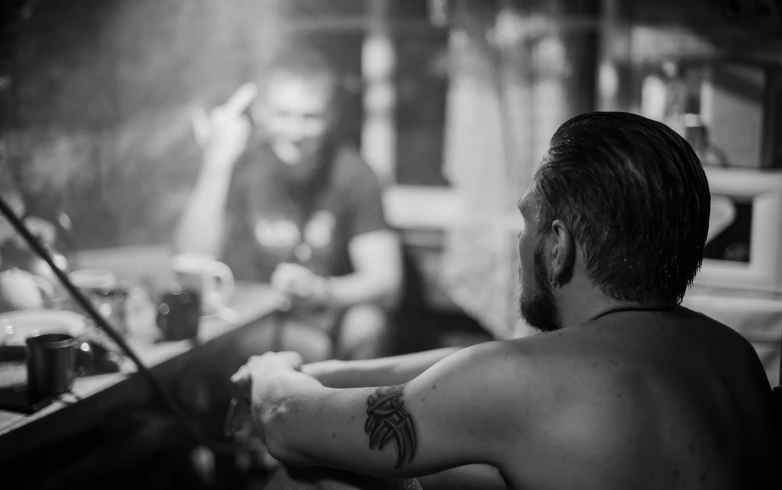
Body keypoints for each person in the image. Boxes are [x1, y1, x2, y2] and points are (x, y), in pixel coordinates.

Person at [229, 112, 780, 490]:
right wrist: (326, 371)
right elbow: (473, 373)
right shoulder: (732, 357)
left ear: (558, 245)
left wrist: (272, 374)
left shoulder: (529, 383)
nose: (522, 242)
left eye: (528, 221)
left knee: (317, 477)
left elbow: (285, 422)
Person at [173, 47, 403, 363]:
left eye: (310, 117)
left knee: (367, 327)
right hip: (247, 318)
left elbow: (387, 282)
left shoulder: (353, 173)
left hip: (325, 312)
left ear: (331, 116)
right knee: (309, 349)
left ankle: (350, 409)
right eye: (283, 115)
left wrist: (322, 290)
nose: (295, 132)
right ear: (262, 113)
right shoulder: (239, 164)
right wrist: (216, 164)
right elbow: (189, 264)